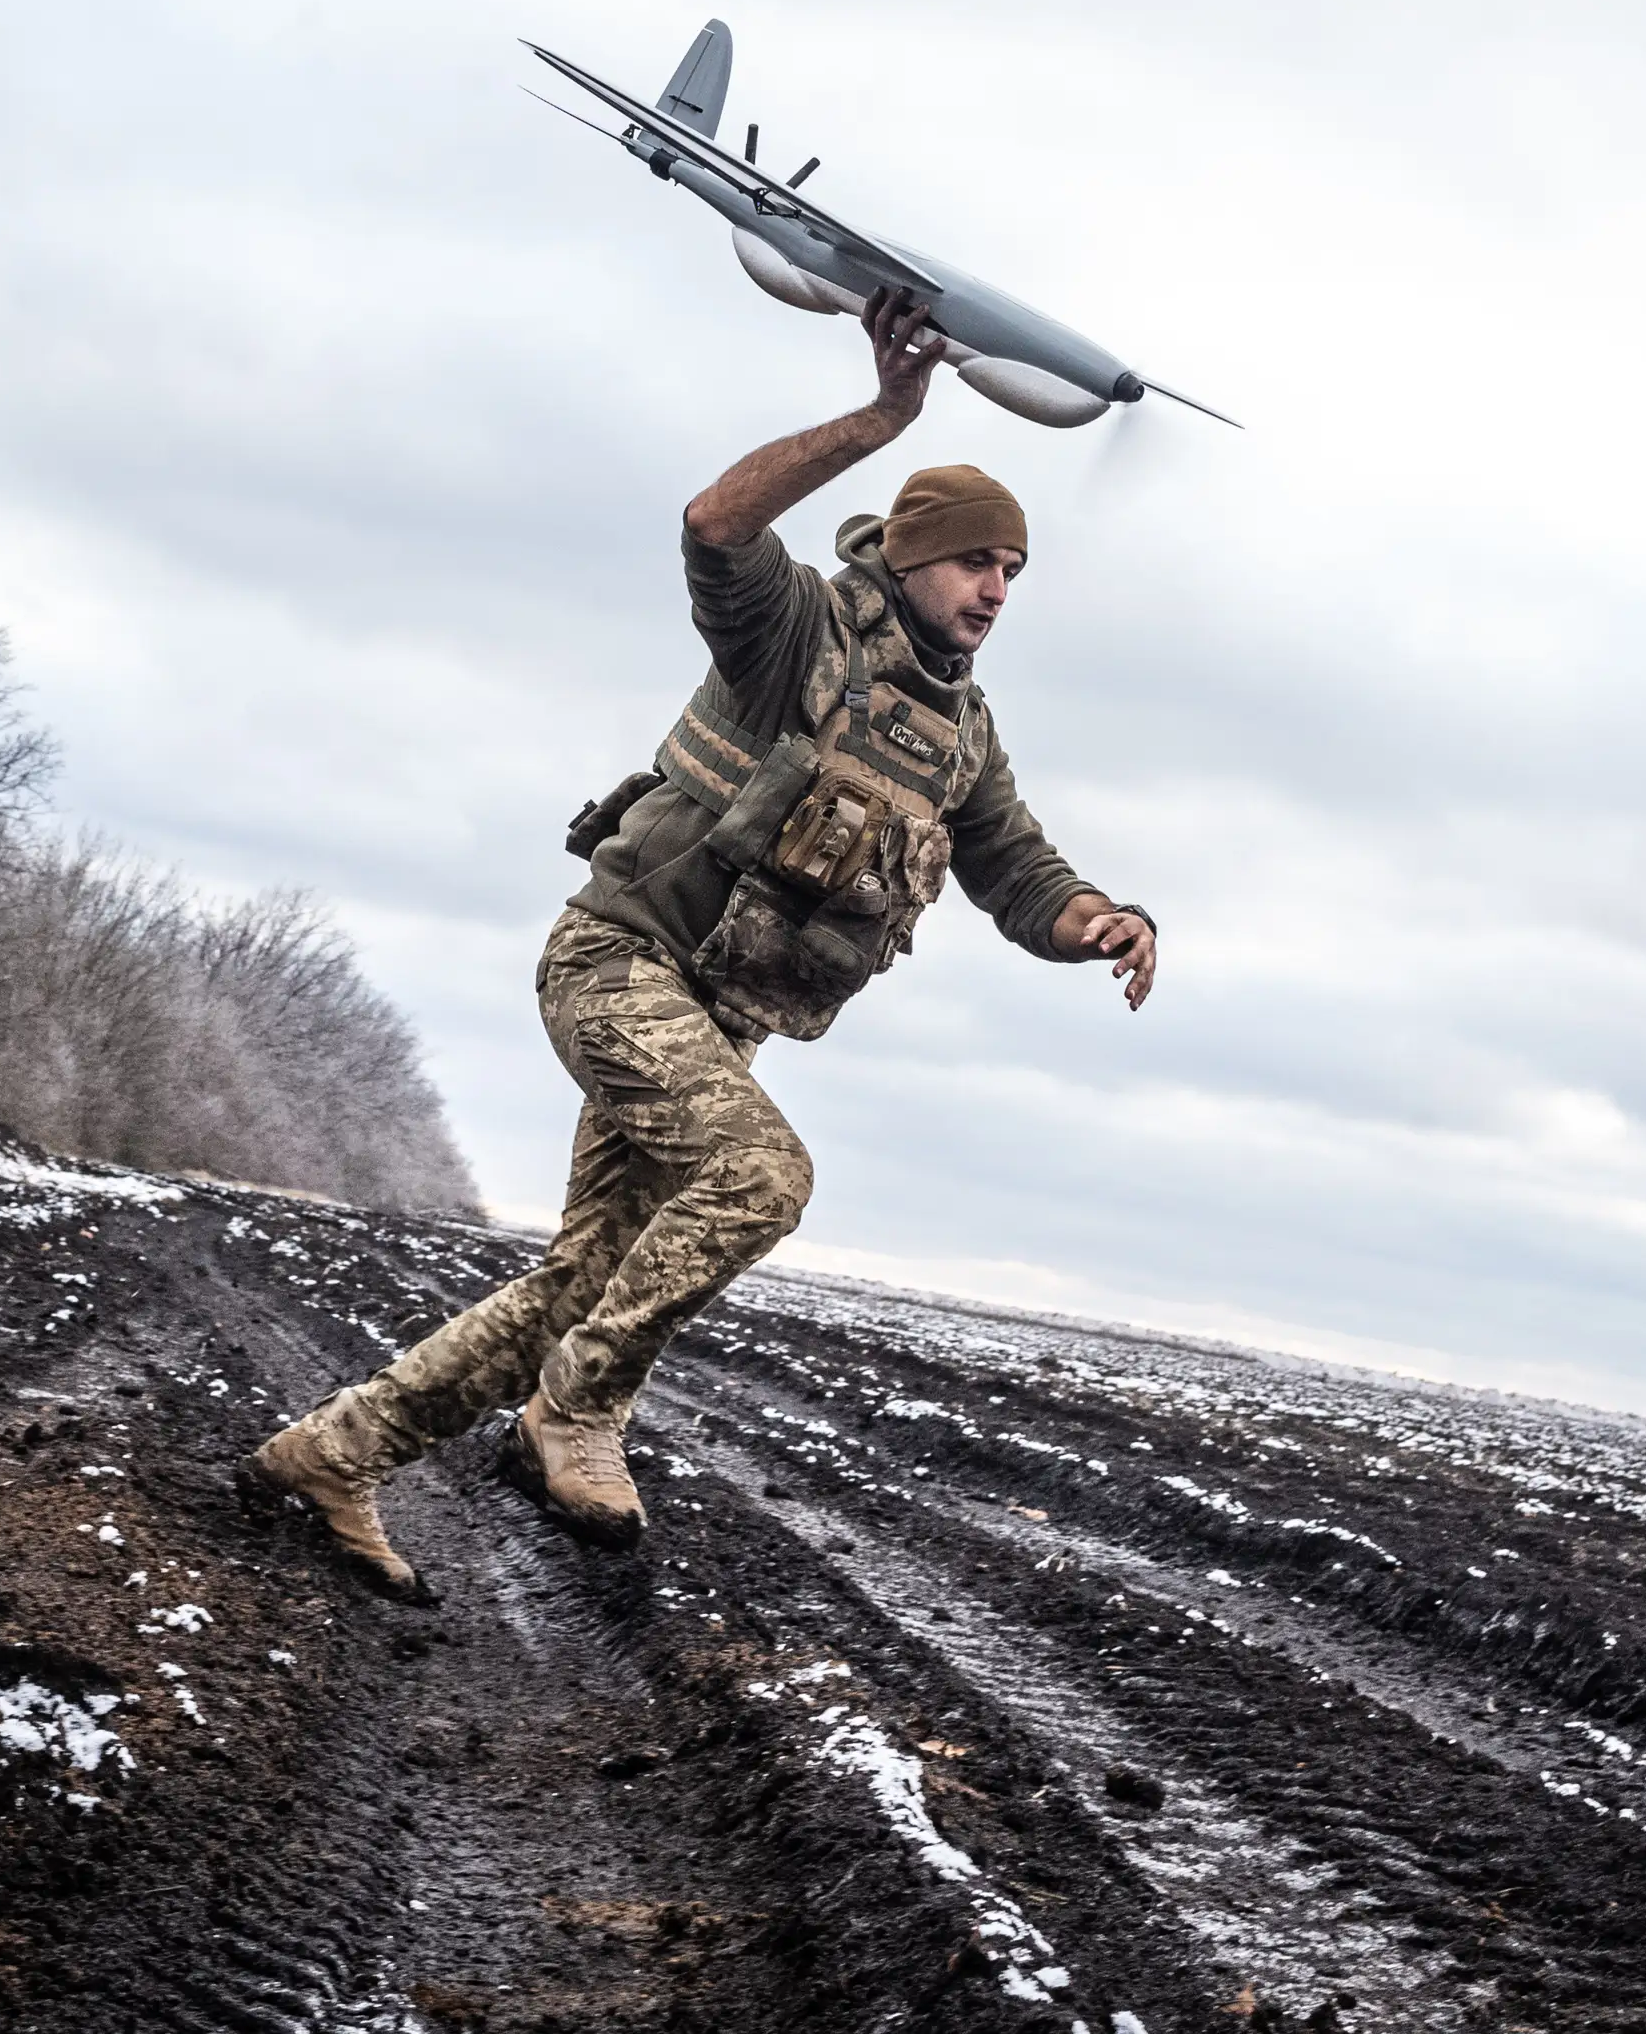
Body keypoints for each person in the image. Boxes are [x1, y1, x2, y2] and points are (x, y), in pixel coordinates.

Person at [252, 289, 1160, 1599]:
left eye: (1014, 570)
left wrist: (1102, 925)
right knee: (762, 1177)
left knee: (580, 1284)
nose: (998, 588)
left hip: (716, 1020)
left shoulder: (960, 733)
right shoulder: (796, 630)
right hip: (619, 965)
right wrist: (884, 413)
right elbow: (714, 524)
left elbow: (1018, 868)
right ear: (912, 559)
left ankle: (334, 1453)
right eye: (977, 561)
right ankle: (577, 1410)